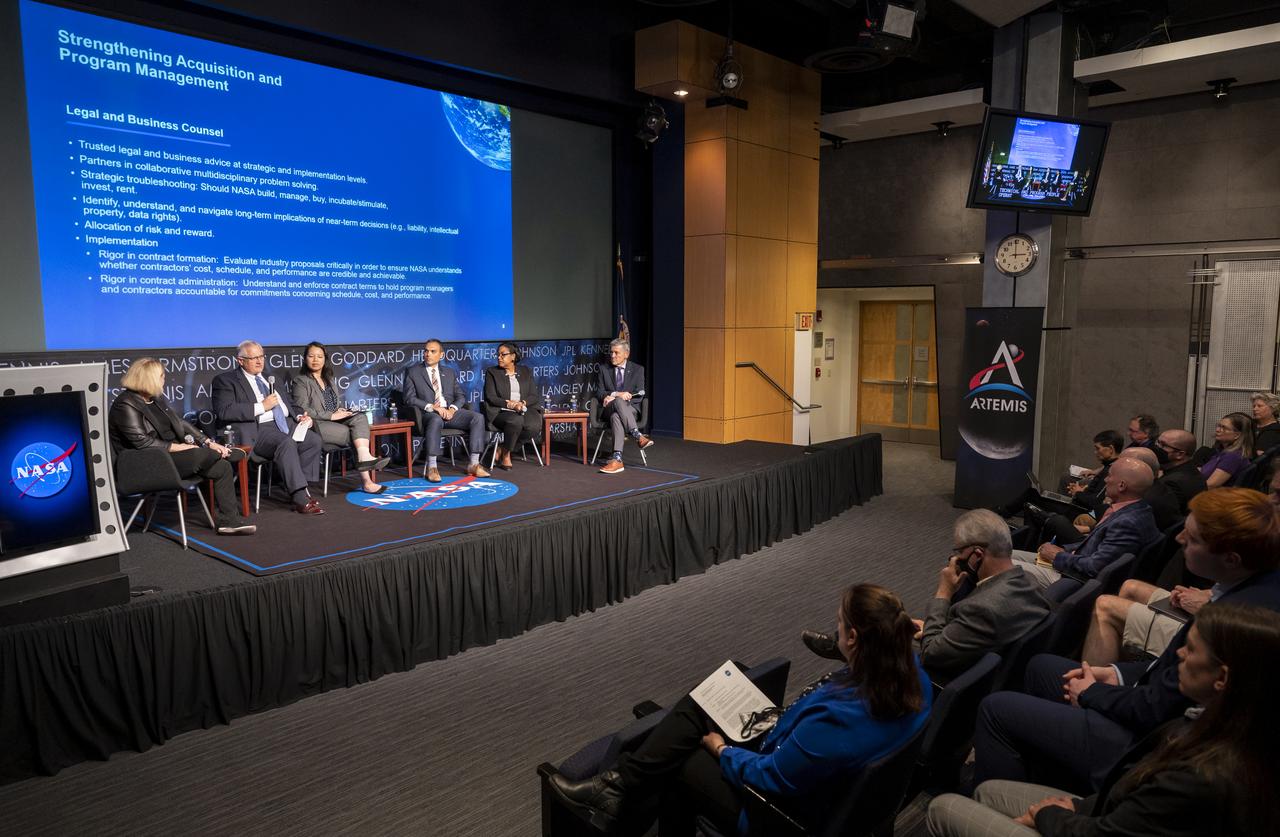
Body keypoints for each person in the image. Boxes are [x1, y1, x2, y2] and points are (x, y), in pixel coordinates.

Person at [548, 584, 931, 835]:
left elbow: (770, 778)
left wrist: (722, 750)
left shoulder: (837, 723)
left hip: (777, 813)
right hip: (807, 762)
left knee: (688, 755)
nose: (833, 631)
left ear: (854, 638)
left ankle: (619, 795)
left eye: (839, 624)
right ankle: (617, 786)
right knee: (715, 692)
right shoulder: (915, 679)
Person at [970, 487, 1280, 794]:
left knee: (995, 707)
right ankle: (1052, 774)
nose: (1179, 539)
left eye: (1194, 538)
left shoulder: (1237, 621)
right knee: (1040, 666)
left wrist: (1093, 693)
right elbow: (1168, 671)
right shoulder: (1245, 586)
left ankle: (999, 799)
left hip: (1149, 745)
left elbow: (1158, 708)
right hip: (1152, 702)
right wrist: (1116, 674)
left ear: (1231, 559)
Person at [928, 601, 1280, 837]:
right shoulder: (1221, 726)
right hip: (1103, 810)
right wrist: (1077, 805)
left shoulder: (1202, 776)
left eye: (1191, 650)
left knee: (942, 808)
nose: (1180, 656)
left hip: (1093, 825)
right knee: (987, 790)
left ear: (1222, 678)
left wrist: (1049, 816)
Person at [802, 510, 1049, 685]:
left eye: (957, 552)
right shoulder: (1030, 582)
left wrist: (944, 592)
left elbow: (932, 653)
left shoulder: (983, 608)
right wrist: (937, 627)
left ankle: (849, 649)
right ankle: (846, 645)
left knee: (883, 638)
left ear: (976, 555)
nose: (954, 560)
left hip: (952, 680)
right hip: (985, 657)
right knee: (903, 625)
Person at [109, 358, 255, 535]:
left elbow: (180, 423)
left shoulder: (154, 399)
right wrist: (183, 448)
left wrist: (208, 442)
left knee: (221, 467)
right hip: (147, 464)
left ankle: (229, 522)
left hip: (170, 458)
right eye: (162, 376)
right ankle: (224, 453)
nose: (164, 379)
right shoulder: (125, 404)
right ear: (150, 379)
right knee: (198, 455)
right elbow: (143, 442)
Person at [212, 340, 324, 515]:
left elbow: (290, 404)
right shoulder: (226, 381)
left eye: (261, 356)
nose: (259, 361)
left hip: (285, 423)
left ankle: (301, 488)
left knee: (313, 440)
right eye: (253, 358)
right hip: (258, 428)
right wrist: (261, 406)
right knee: (286, 443)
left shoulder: (272, 379)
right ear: (240, 360)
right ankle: (299, 497)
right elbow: (224, 411)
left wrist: (301, 415)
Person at [1012, 457, 1159, 589]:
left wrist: (1057, 556)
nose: (1106, 480)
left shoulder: (1127, 523)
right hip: (1073, 562)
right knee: (1007, 554)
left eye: (1109, 476)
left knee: (996, 564)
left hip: (1072, 579)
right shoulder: (1140, 509)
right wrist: (1063, 550)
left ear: (1122, 485)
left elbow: (1095, 568)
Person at [290, 341, 390, 494]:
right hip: (315, 425)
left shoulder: (329, 379)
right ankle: (367, 481)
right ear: (305, 359)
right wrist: (332, 415)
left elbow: (333, 405)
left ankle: (364, 457)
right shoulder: (301, 381)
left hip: (333, 420)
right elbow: (302, 410)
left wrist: (340, 410)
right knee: (354, 436)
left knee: (360, 417)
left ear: (325, 359)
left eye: (319, 356)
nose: (315, 360)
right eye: (311, 356)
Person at [402, 338, 489, 482]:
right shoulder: (413, 372)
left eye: (432, 351)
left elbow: (460, 396)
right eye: (426, 351)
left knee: (477, 417)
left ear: (441, 355)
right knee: (436, 419)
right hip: (428, 415)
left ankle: (474, 464)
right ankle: (432, 467)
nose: (428, 354)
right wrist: (432, 407)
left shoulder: (449, 372)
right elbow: (409, 398)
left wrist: (453, 409)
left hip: (449, 413)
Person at [593, 338, 653, 475]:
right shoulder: (604, 369)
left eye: (616, 353)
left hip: (630, 409)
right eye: (611, 352)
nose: (612, 356)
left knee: (616, 416)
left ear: (626, 354)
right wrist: (616, 394)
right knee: (617, 403)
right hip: (608, 409)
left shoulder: (638, 369)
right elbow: (600, 392)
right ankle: (638, 436)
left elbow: (640, 394)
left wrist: (617, 397)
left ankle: (617, 459)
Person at [482, 341, 542, 470]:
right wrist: (510, 405)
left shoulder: (525, 371)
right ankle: (507, 455)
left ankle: (503, 448)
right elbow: (490, 397)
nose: (499, 357)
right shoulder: (492, 372)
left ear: (513, 356)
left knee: (534, 425)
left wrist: (522, 403)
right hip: (501, 412)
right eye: (498, 355)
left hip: (522, 409)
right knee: (515, 420)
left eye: (503, 354)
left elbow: (533, 395)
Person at [1153, 429, 1206, 513]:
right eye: (1157, 442)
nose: (1157, 447)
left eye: (1163, 445)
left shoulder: (1171, 483)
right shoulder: (1191, 470)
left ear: (1180, 454)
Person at [1200, 412, 1253, 488]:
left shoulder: (1233, 456)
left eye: (1224, 428)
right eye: (1219, 426)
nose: (1218, 430)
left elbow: (1210, 485)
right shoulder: (1224, 451)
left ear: (1237, 435)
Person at [1251, 391, 1280, 456]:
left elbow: (1260, 454)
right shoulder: (1249, 424)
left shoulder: (1276, 430)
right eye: (1254, 406)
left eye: (1259, 406)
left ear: (1272, 408)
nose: (1255, 409)